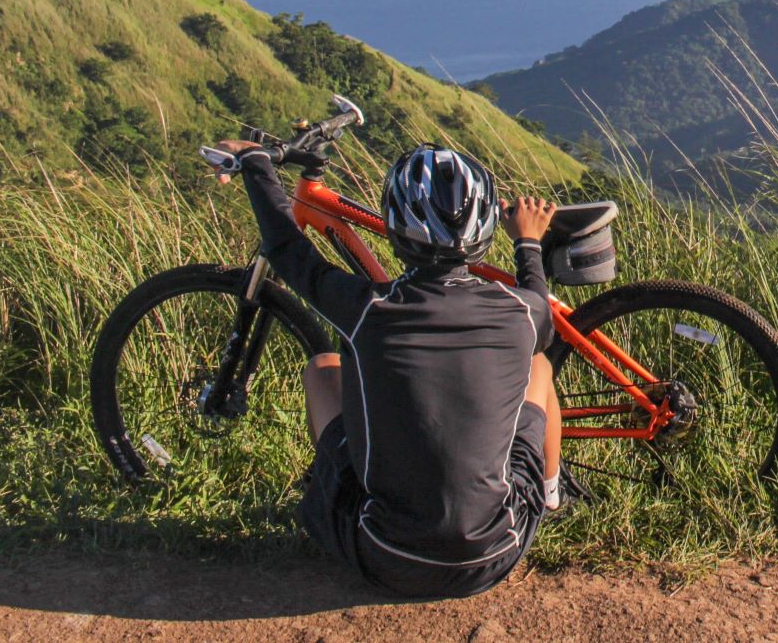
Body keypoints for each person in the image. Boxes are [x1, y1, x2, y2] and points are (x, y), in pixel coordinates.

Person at [214, 139, 566, 598]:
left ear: (396, 230)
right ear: (484, 232)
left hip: (385, 556)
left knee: (323, 368)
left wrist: (257, 161)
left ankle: (333, 493)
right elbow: (539, 302)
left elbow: (285, 244)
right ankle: (552, 494)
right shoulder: (521, 312)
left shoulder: (365, 309)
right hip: (496, 553)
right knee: (538, 366)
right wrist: (527, 242)